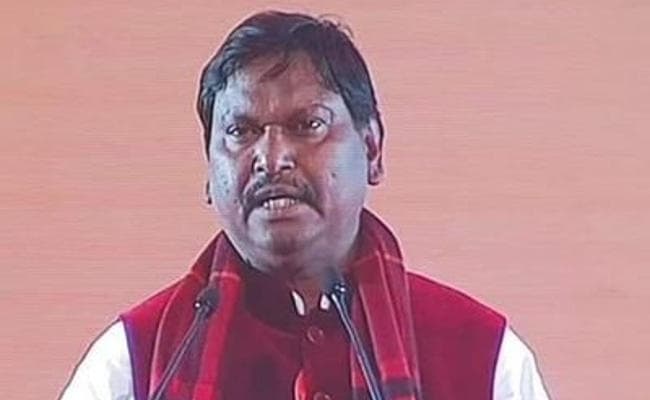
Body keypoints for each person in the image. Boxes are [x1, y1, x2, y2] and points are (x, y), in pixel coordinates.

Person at [60, 11, 550, 400]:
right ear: (209, 172)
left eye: (307, 125)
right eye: (241, 131)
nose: (272, 159)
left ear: (372, 150)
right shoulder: (134, 363)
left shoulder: (483, 357)